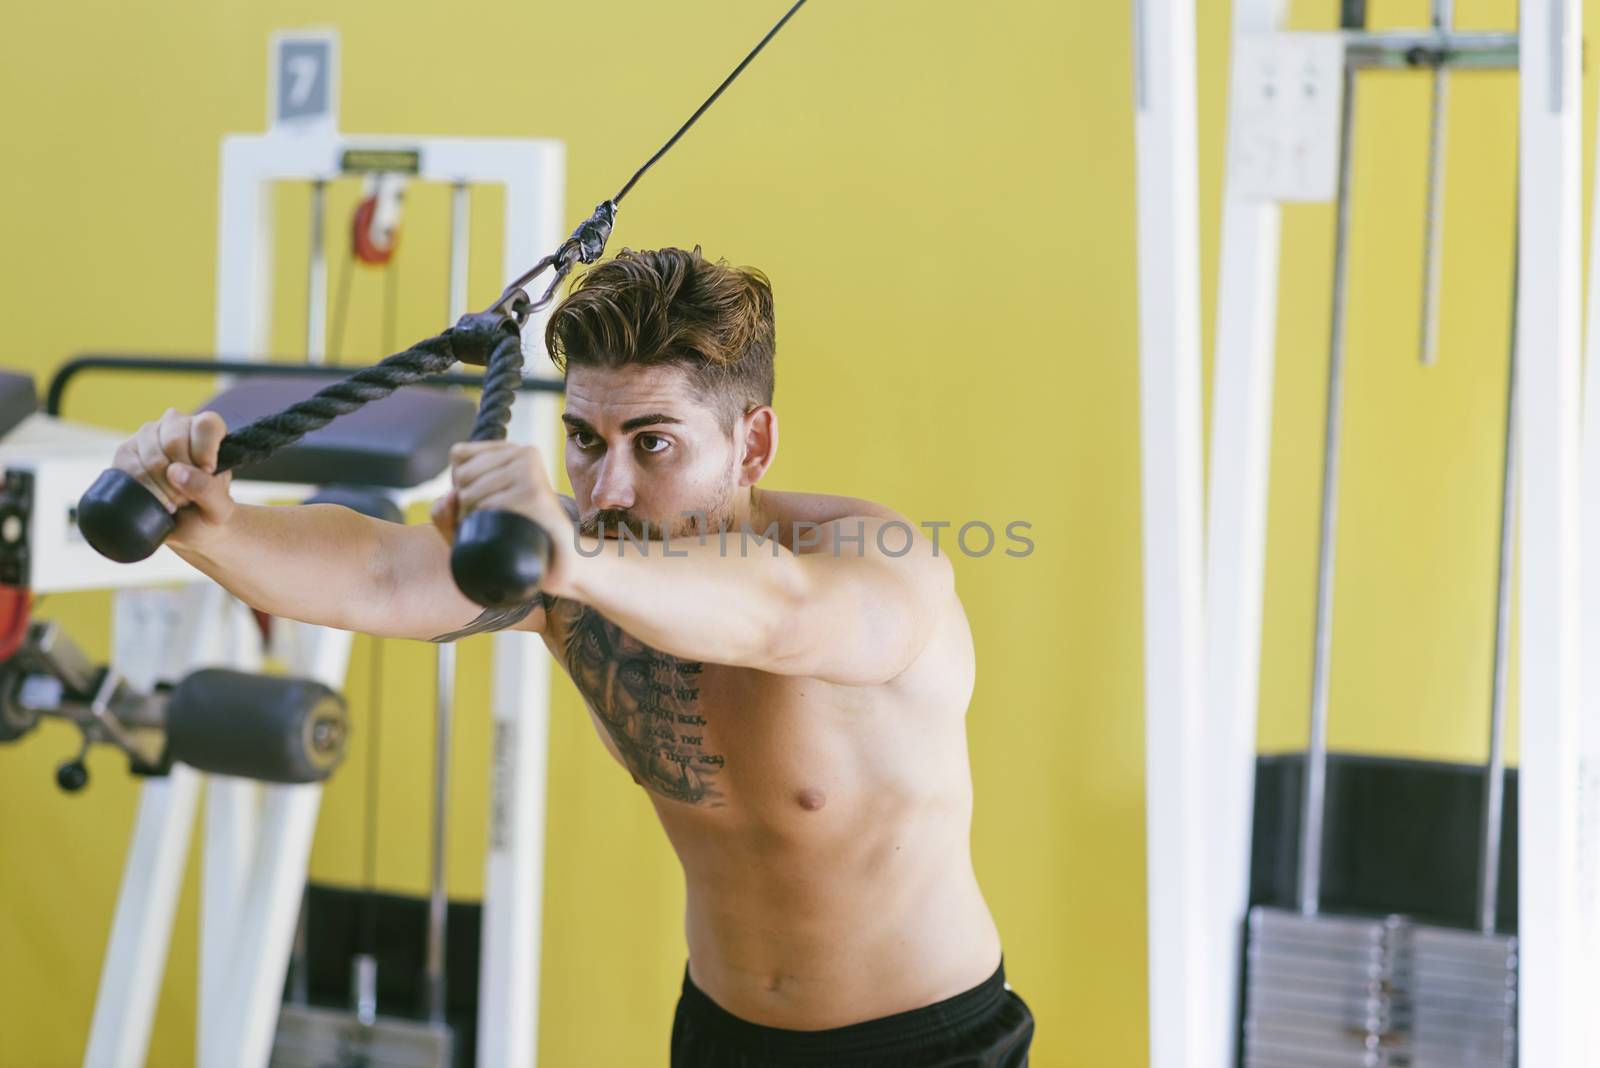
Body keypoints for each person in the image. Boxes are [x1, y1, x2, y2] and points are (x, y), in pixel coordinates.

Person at [112, 246, 1034, 1066]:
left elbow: (778, 617)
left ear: (751, 444)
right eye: (585, 442)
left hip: (924, 1043)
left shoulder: (875, 562)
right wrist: (214, 527)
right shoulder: (580, 569)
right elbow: (382, 577)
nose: (608, 487)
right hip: (718, 1034)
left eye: (654, 444)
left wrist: (574, 554)